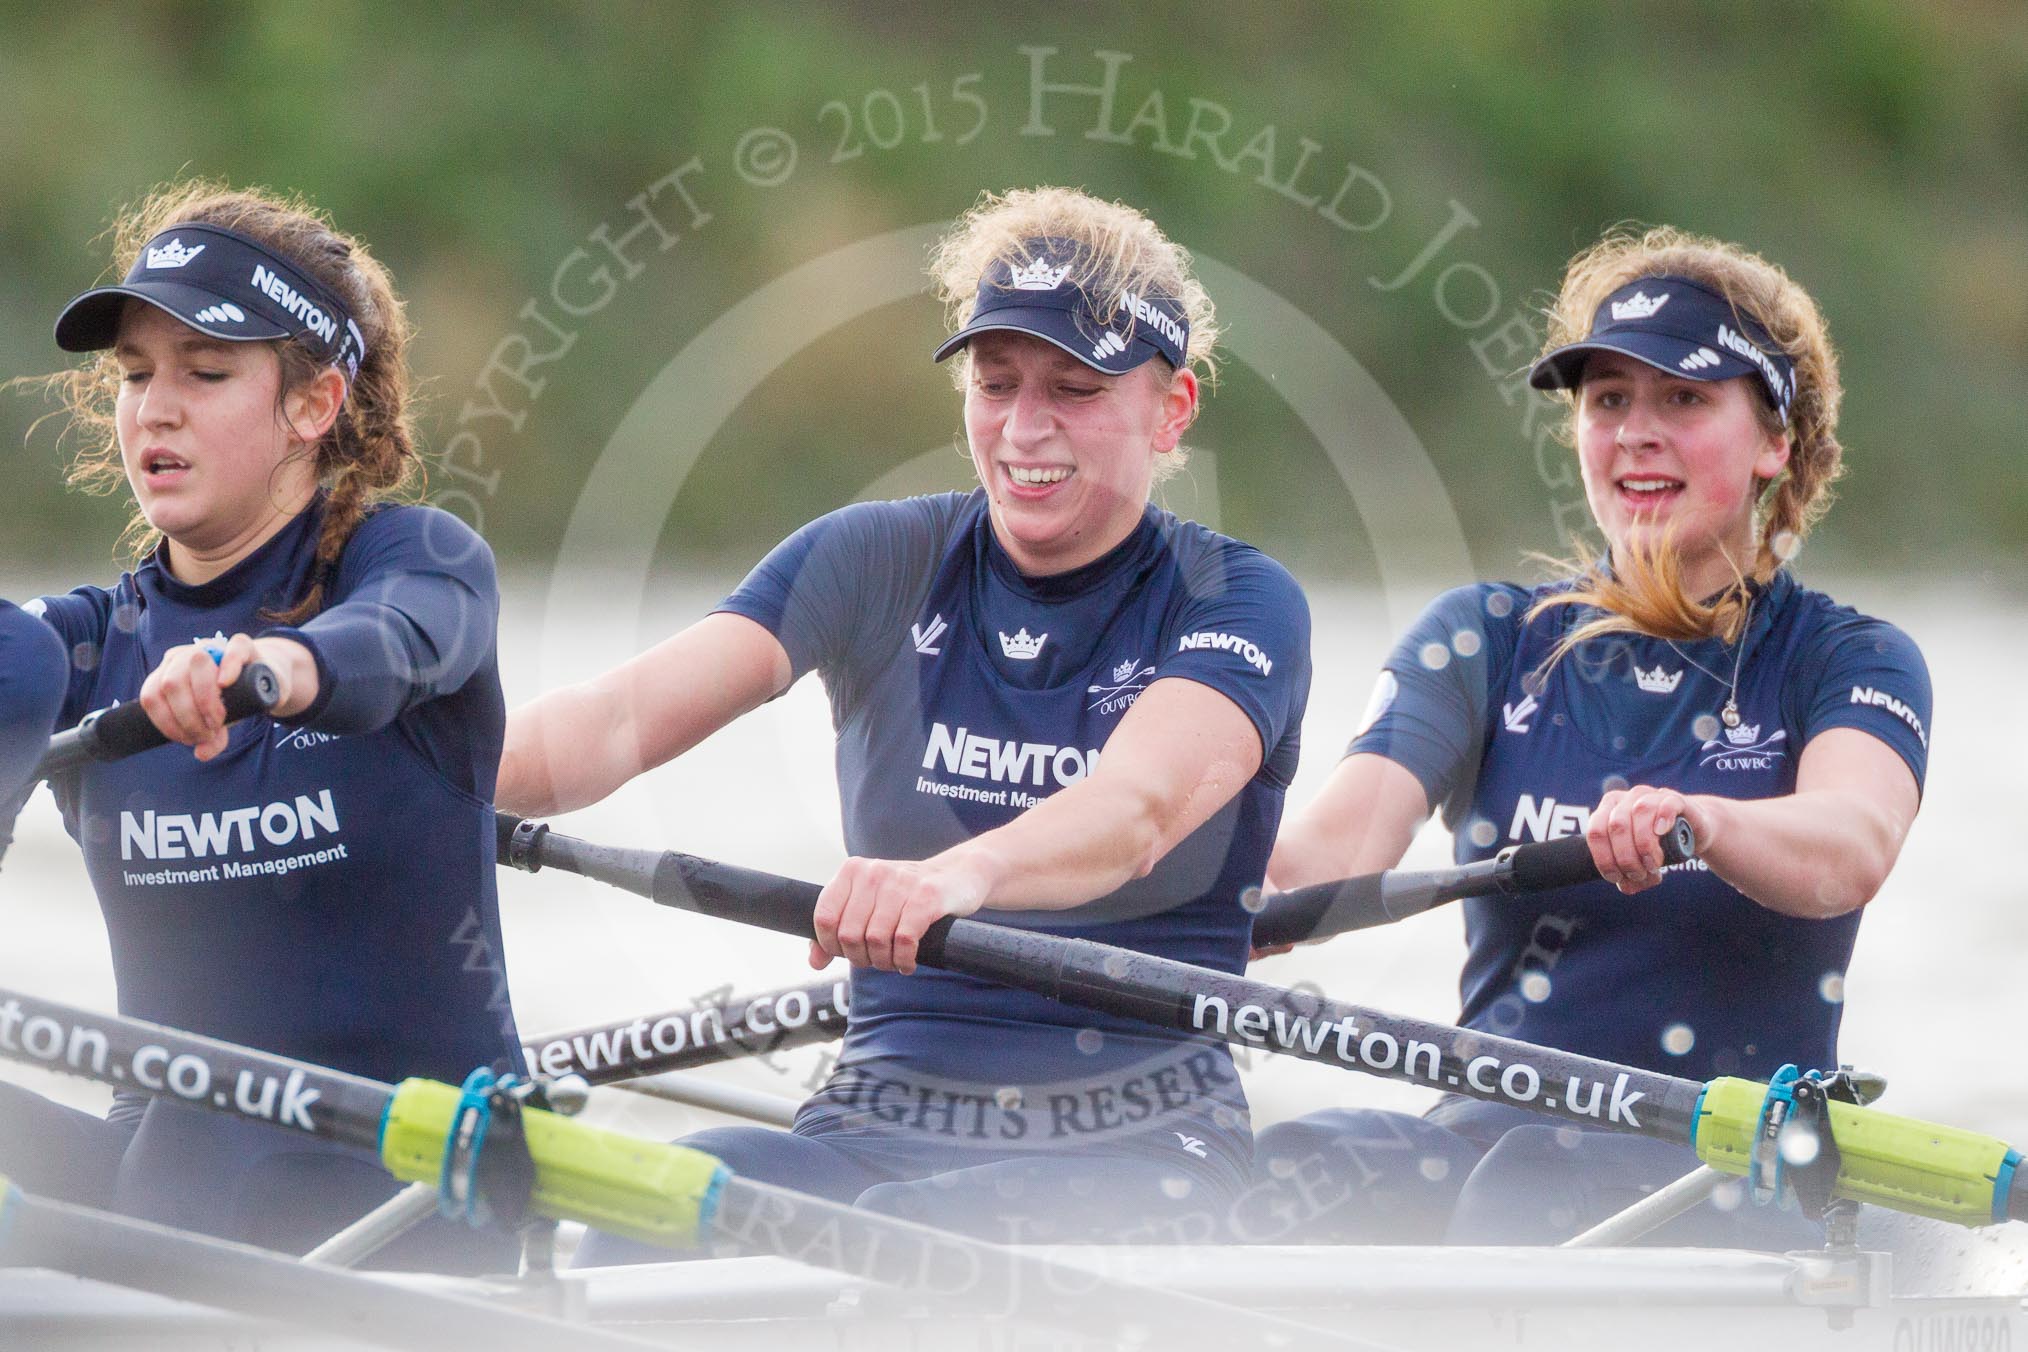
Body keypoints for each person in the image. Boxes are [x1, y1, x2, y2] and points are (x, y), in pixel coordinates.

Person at [498, 186, 1311, 1252]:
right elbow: (603, 728)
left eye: (1074, 388)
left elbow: (1138, 810)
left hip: (1140, 1145)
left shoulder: (1238, 600)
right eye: (996, 382)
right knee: (632, 1213)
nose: (1025, 426)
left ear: (1172, 410)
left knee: (905, 1244)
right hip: (876, 1122)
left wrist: (951, 877)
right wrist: (382, 765)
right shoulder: (873, 558)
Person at [1252, 226, 1929, 1246]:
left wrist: (1704, 821)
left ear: (1775, 443)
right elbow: (1331, 854)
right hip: (1487, 1141)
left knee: (1530, 1179)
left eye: (1684, 400)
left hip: (1726, 1174)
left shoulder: (1848, 660)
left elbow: (1850, 845)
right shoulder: (1483, 639)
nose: (1634, 433)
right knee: (1294, 1168)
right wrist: (1170, 877)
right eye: (1609, 400)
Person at [1, 181, 523, 1266]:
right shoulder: (85, 648)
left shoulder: (416, 564)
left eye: (205, 372)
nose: (156, 407)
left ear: (314, 404)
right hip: (163, 1179)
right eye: (137, 375)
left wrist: (270, 669)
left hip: (411, 1194)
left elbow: (396, 642)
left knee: (197, 1141)